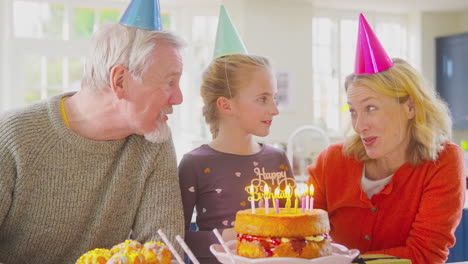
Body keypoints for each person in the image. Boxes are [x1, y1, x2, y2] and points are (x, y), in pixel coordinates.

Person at [0, 7, 186, 264]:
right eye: (169, 82)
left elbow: (163, 252)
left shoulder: (154, 140)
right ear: (120, 81)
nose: (179, 98)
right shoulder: (12, 137)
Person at [307, 14, 465, 264]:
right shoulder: (331, 161)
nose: (359, 126)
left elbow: (425, 255)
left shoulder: (443, 161)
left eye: (371, 108)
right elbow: (304, 239)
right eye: (353, 111)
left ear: (410, 108)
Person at [178, 6, 294, 264]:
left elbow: (296, 230)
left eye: (274, 98)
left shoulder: (278, 160)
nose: (274, 110)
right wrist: (233, 234)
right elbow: (176, 239)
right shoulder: (195, 164)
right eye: (263, 99)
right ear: (226, 105)